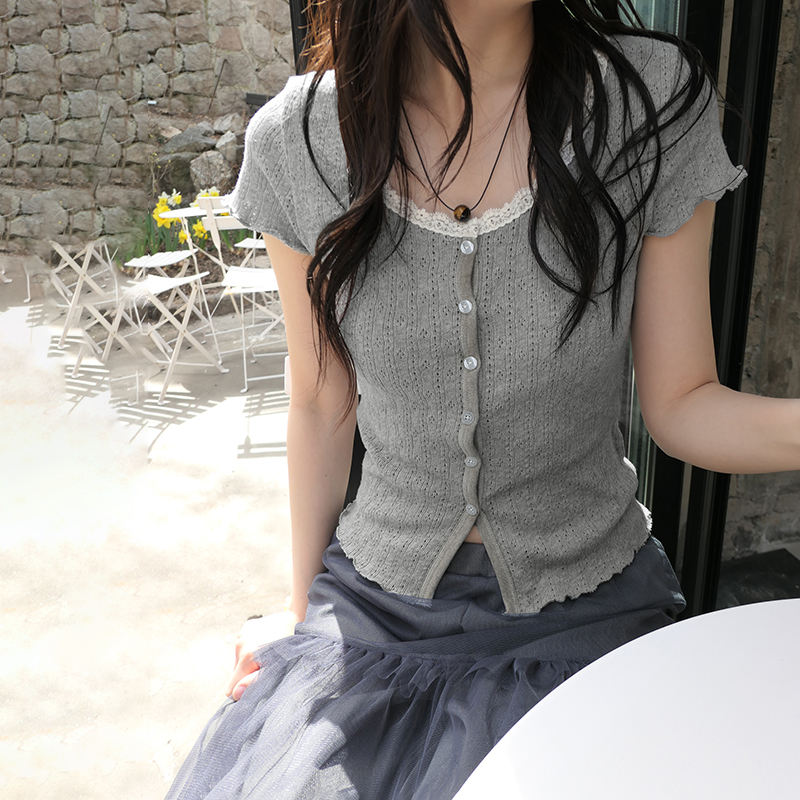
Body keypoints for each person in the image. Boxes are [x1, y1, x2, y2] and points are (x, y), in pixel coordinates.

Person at [165, 1, 799, 798]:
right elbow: (321, 405)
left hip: (591, 613)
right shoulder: (300, 140)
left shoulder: (649, 103)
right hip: (373, 617)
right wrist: (300, 624)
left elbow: (684, 404)